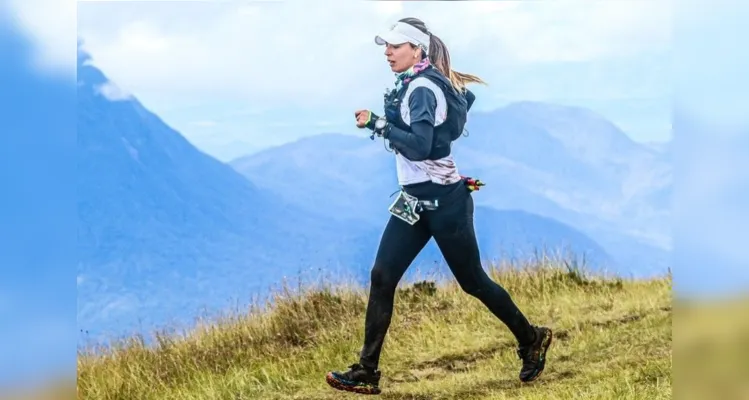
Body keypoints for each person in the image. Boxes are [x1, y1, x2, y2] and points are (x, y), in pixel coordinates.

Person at [325, 17, 553, 395]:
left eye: (395, 46)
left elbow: (423, 146)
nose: (387, 52)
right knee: (382, 277)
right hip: (414, 202)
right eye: (386, 45)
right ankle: (367, 371)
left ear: (417, 49)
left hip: (446, 204)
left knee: (473, 282)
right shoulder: (414, 82)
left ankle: (532, 339)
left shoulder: (422, 89)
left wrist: (377, 124)